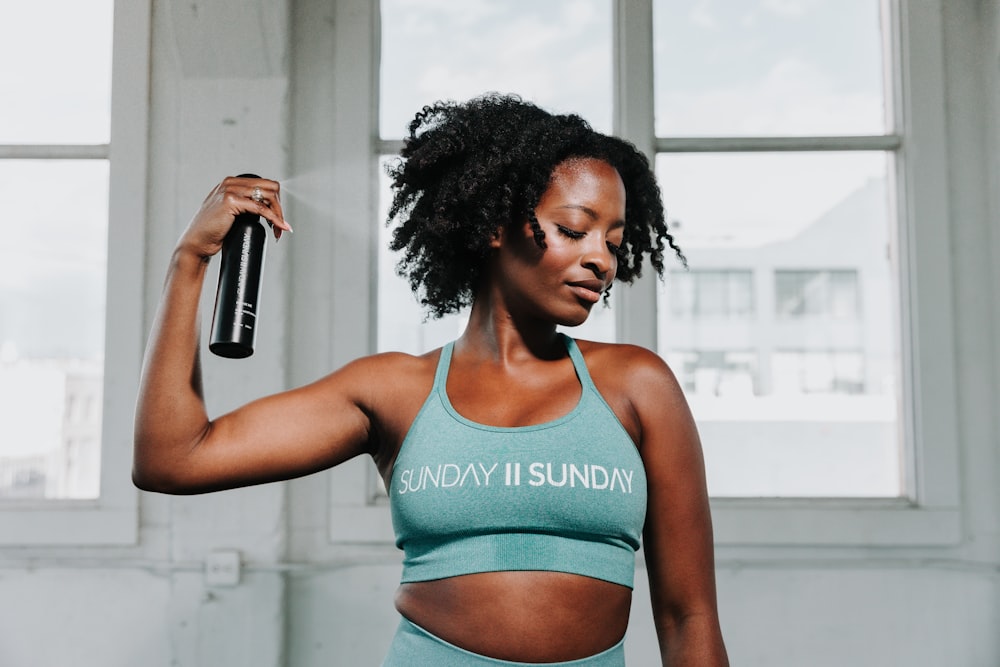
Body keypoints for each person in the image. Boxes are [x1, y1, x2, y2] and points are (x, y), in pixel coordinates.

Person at [133, 93, 728, 666]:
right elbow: (173, 458)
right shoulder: (394, 390)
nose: (601, 258)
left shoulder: (637, 385)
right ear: (495, 225)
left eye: (614, 241)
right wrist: (190, 261)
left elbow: (689, 619)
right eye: (575, 231)